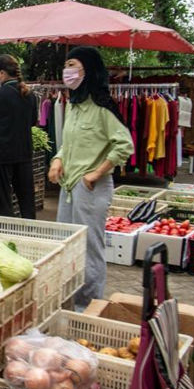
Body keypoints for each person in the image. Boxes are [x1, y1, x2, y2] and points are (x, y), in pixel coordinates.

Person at [48, 47, 133, 308]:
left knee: (89, 248)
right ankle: (68, 301)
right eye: (66, 66)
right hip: (70, 186)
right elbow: (68, 143)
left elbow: (124, 145)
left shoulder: (102, 108)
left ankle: (88, 305)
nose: (67, 71)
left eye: (73, 65)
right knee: (67, 244)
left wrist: (96, 173)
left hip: (91, 187)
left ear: (89, 69)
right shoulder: (74, 106)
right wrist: (58, 160)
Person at [0, 54, 38, 219]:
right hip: (24, 152)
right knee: (27, 201)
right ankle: (32, 235)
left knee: (4, 202)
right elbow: (32, 122)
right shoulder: (29, 95)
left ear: (2, 73)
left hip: (1, 155)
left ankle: (8, 236)